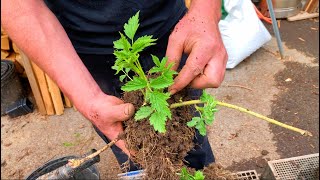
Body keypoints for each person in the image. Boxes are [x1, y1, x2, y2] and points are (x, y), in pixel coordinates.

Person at [1, 0, 227, 171]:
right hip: (87, 49)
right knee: (135, 151)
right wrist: (88, 98)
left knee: (190, 136)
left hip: (176, 33)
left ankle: (201, 171)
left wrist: (206, 11)